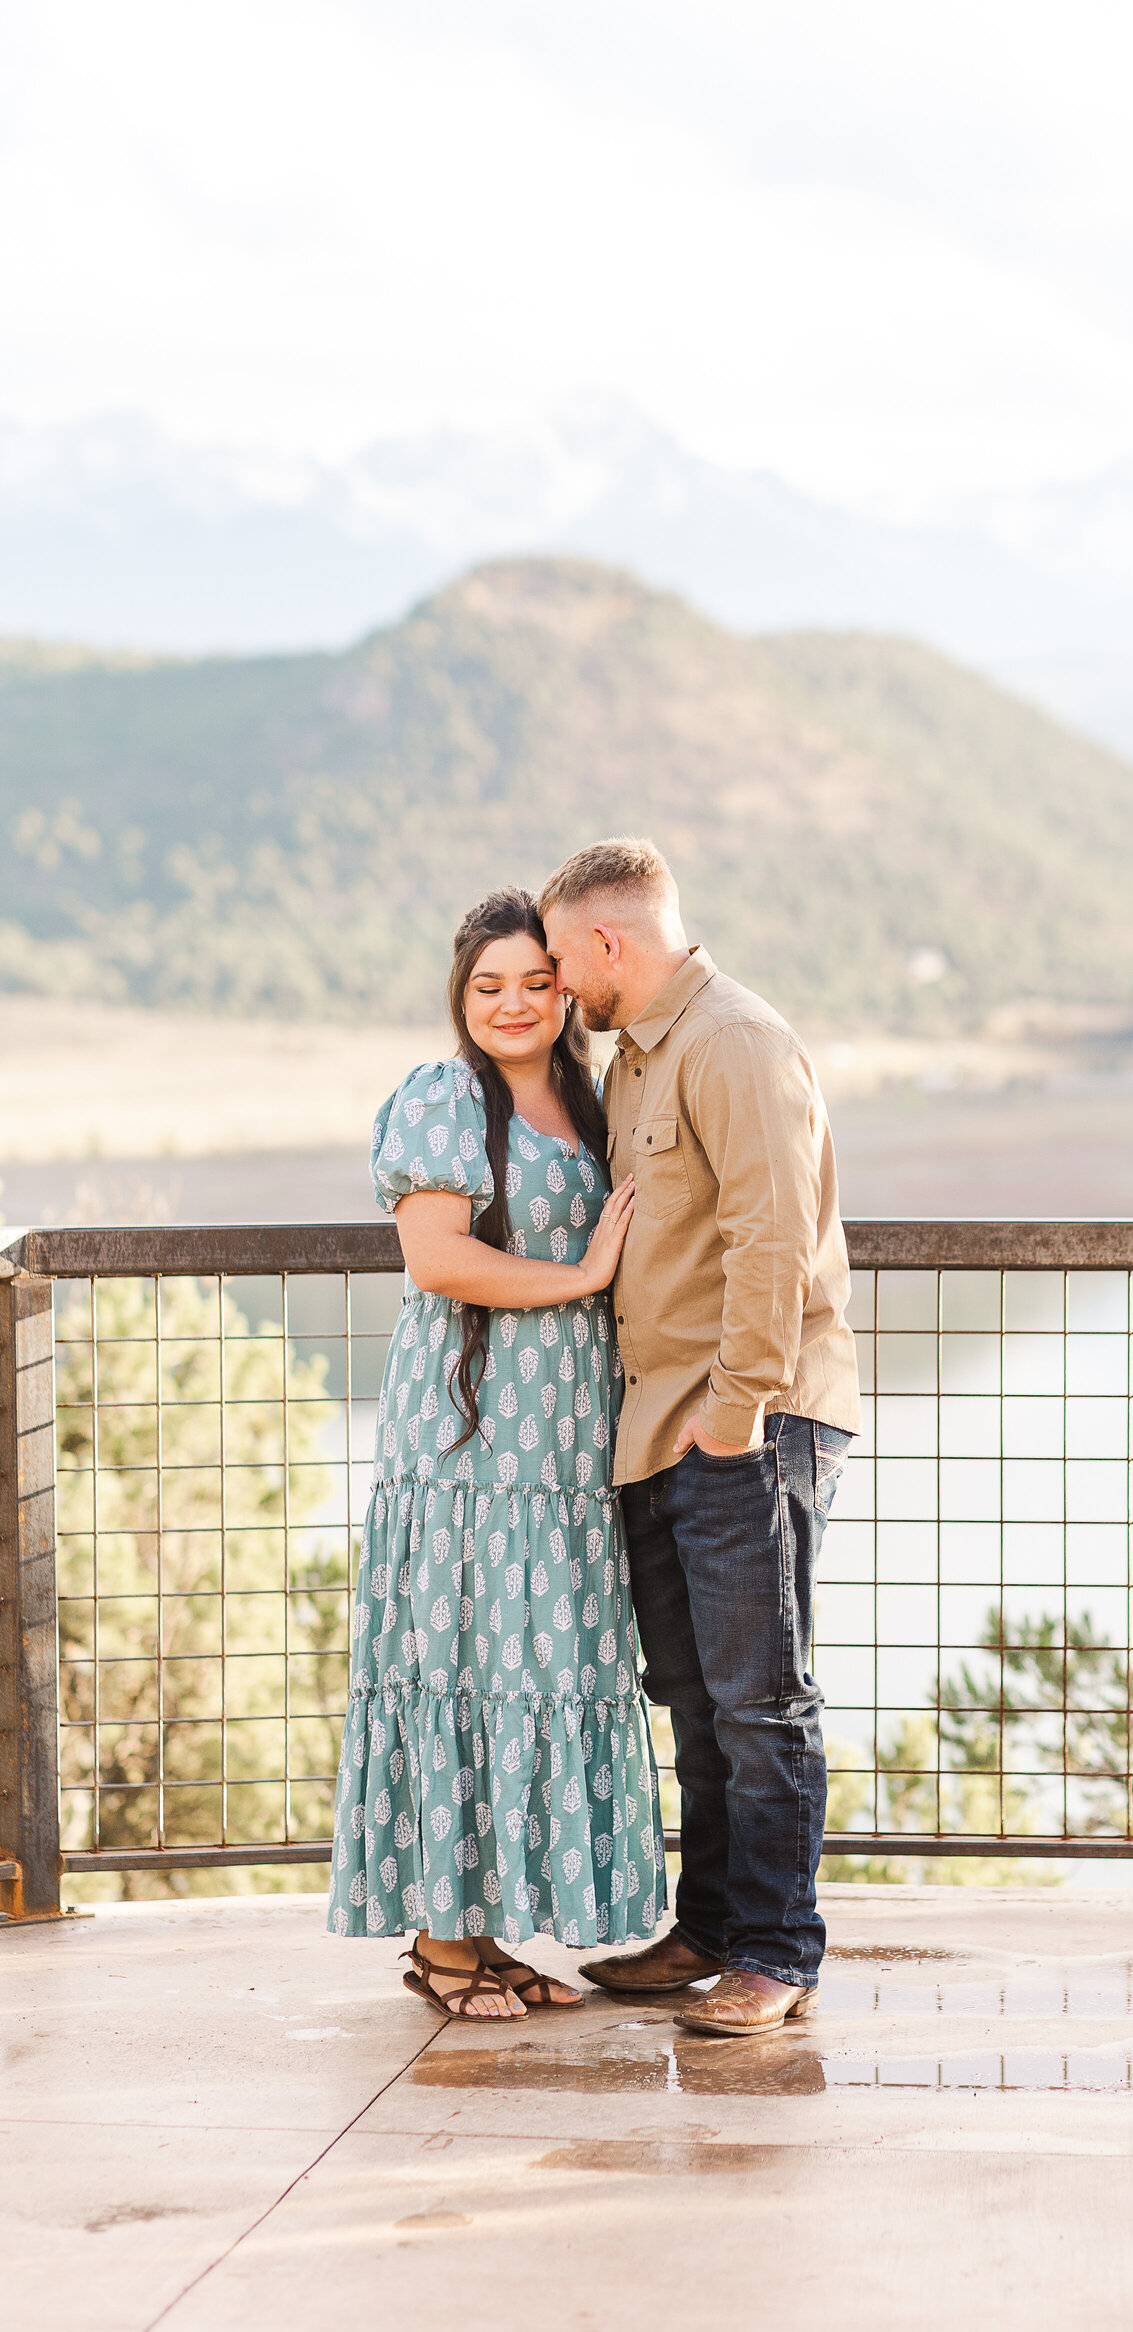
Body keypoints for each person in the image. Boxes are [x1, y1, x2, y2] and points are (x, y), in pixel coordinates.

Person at [538, 838, 860, 2038]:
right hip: (662, 1427)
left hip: (745, 1426)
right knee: (694, 1701)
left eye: (565, 960)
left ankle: (777, 1955)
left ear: (609, 942)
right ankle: (712, 1931)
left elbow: (772, 1241)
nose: (562, 985)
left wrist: (735, 1417)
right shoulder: (635, 1062)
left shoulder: (733, 1042)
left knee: (759, 1699)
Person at [326, 887, 665, 2019]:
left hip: (564, 1448)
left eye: (536, 980)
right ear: (459, 994)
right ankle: (441, 1943)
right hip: (468, 1441)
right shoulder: (442, 1099)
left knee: (535, 1668)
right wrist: (579, 1278)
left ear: (567, 986)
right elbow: (438, 1260)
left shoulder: (588, 1095)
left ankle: (491, 1933)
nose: (513, 1003)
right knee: (459, 1663)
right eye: (488, 985)